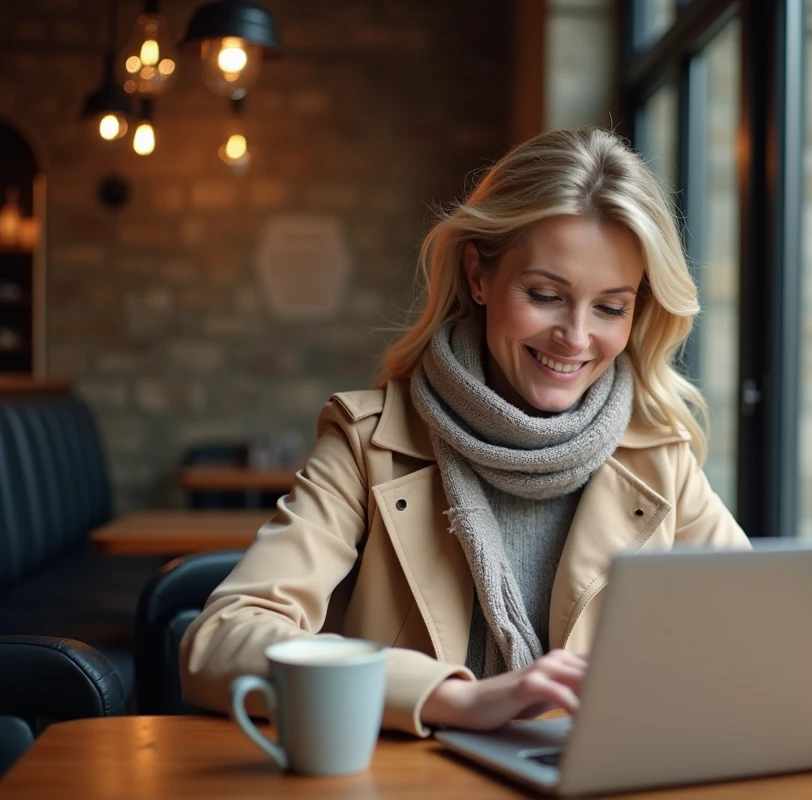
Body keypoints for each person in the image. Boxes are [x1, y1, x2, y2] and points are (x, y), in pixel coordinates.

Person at [179, 127, 751, 737]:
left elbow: (764, 631)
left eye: (611, 307)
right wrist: (451, 699)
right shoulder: (367, 443)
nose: (577, 338)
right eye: (545, 295)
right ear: (479, 275)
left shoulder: (659, 455)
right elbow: (220, 642)